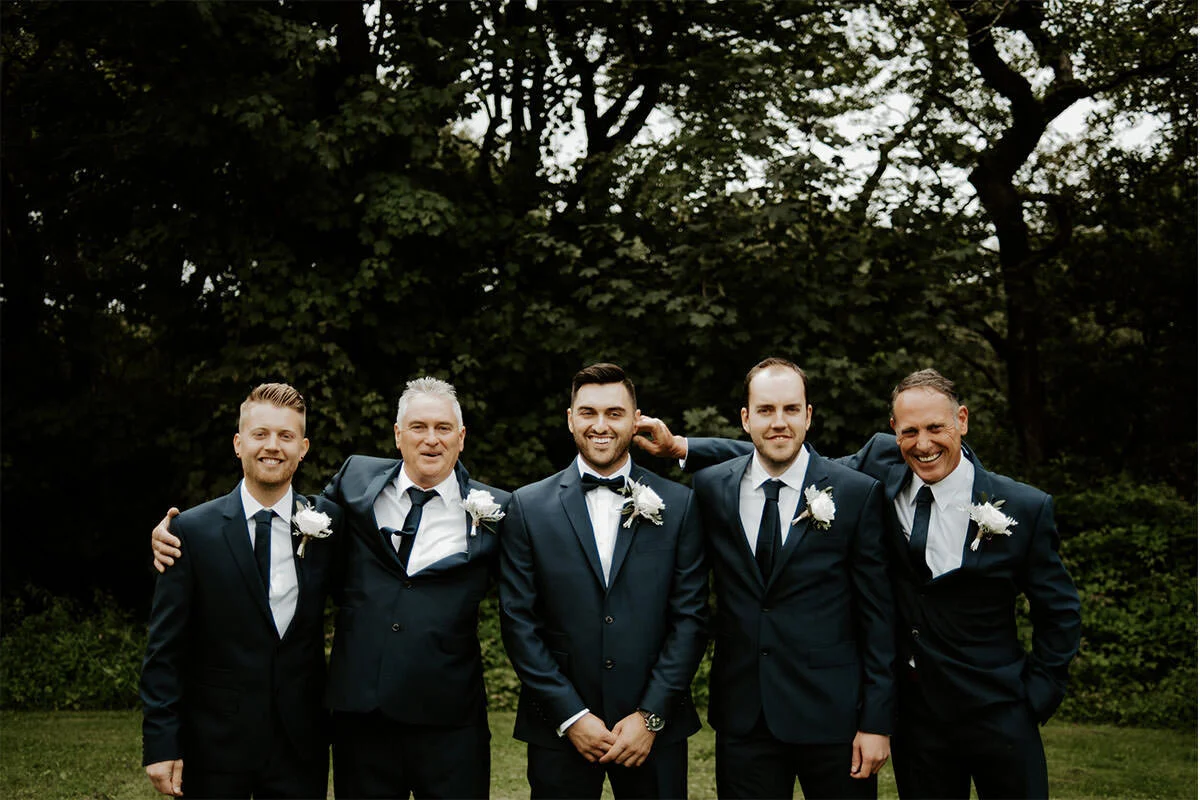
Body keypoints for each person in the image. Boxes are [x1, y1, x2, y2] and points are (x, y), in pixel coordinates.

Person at [636, 367, 1082, 800]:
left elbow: (1058, 611)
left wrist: (1036, 698)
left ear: (961, 420)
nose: (923, 444)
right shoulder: (880, 468)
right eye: (910, 431)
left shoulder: (1022, 505)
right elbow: (779, 454)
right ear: (894, 431)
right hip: (916, 718)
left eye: (935, 428)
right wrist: (680, 447)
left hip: (998, 708)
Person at [152, 377, 508, 799]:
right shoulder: (353, 482)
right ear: (398, 434)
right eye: (417, 426)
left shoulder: (501, 511)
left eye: (443, 428)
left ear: (461, 437)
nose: (430, 439)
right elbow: (166, 646)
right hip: (357, 721)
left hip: (450, 721)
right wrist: (169, 534)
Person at [498, 363, 709, 799]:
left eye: (614, 413)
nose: (600, 425)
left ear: (636, 420)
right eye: (588, 412)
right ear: (570, 418)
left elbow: (690, 619)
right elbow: (519, 621)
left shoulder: (681, 505)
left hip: (654, 730)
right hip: (559, 730)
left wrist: (650, 716)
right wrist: (571, 716)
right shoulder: (528, 506)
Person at [140, 383, 344, 799]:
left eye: (286, 436)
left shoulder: (330, 524)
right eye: (260, 434)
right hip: (213, 744)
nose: (273, 446)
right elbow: (165, 648)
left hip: (299, 744)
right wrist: (161, 742)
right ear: (238, 443)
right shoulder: (190, 532)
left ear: (303, 447)